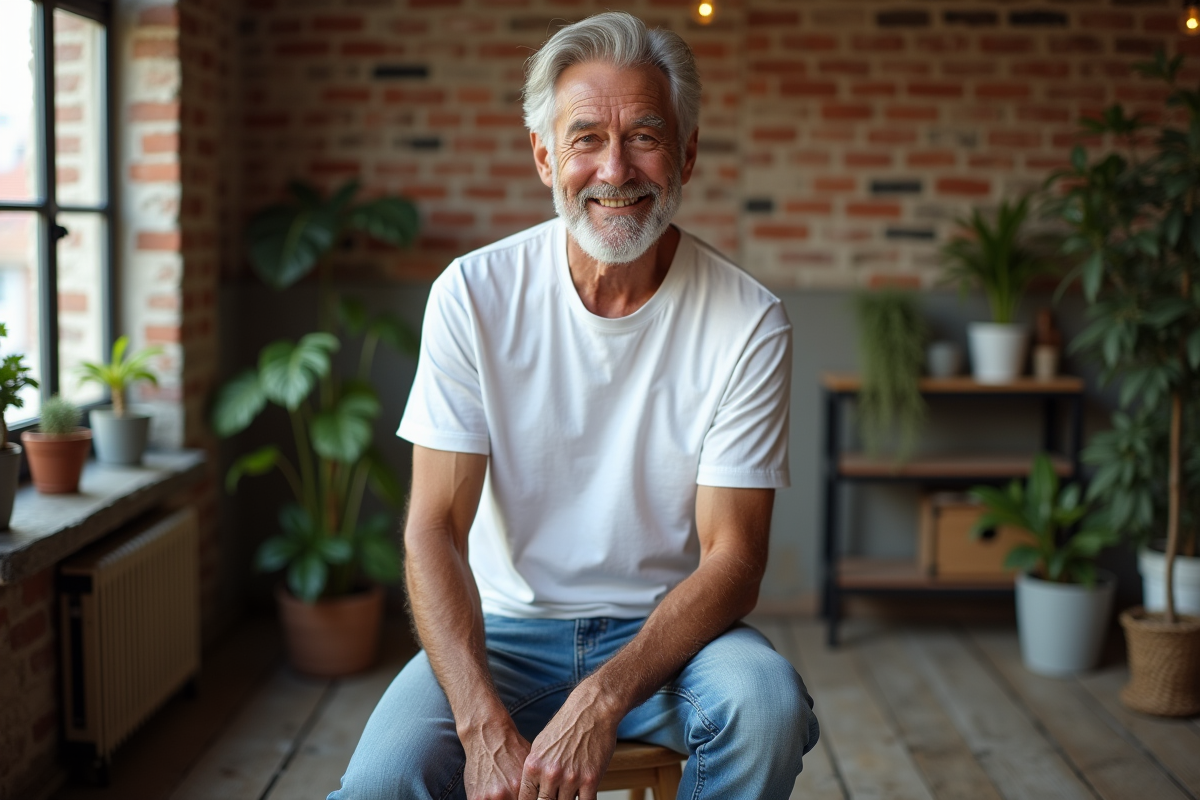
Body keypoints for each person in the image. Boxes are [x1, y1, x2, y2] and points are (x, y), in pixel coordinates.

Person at [329, 12, 819, 800]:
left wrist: (604, 695)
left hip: (670, 642)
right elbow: (433, 527)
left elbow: (734, 558)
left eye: (645, 137)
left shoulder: (748, 319)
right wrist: (481, 725)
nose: (614, 169)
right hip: (503, 637)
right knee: (380, 784)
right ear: (544, 155)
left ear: (687, 153)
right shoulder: (472, 294)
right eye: (586, 138)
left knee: (764, 705)